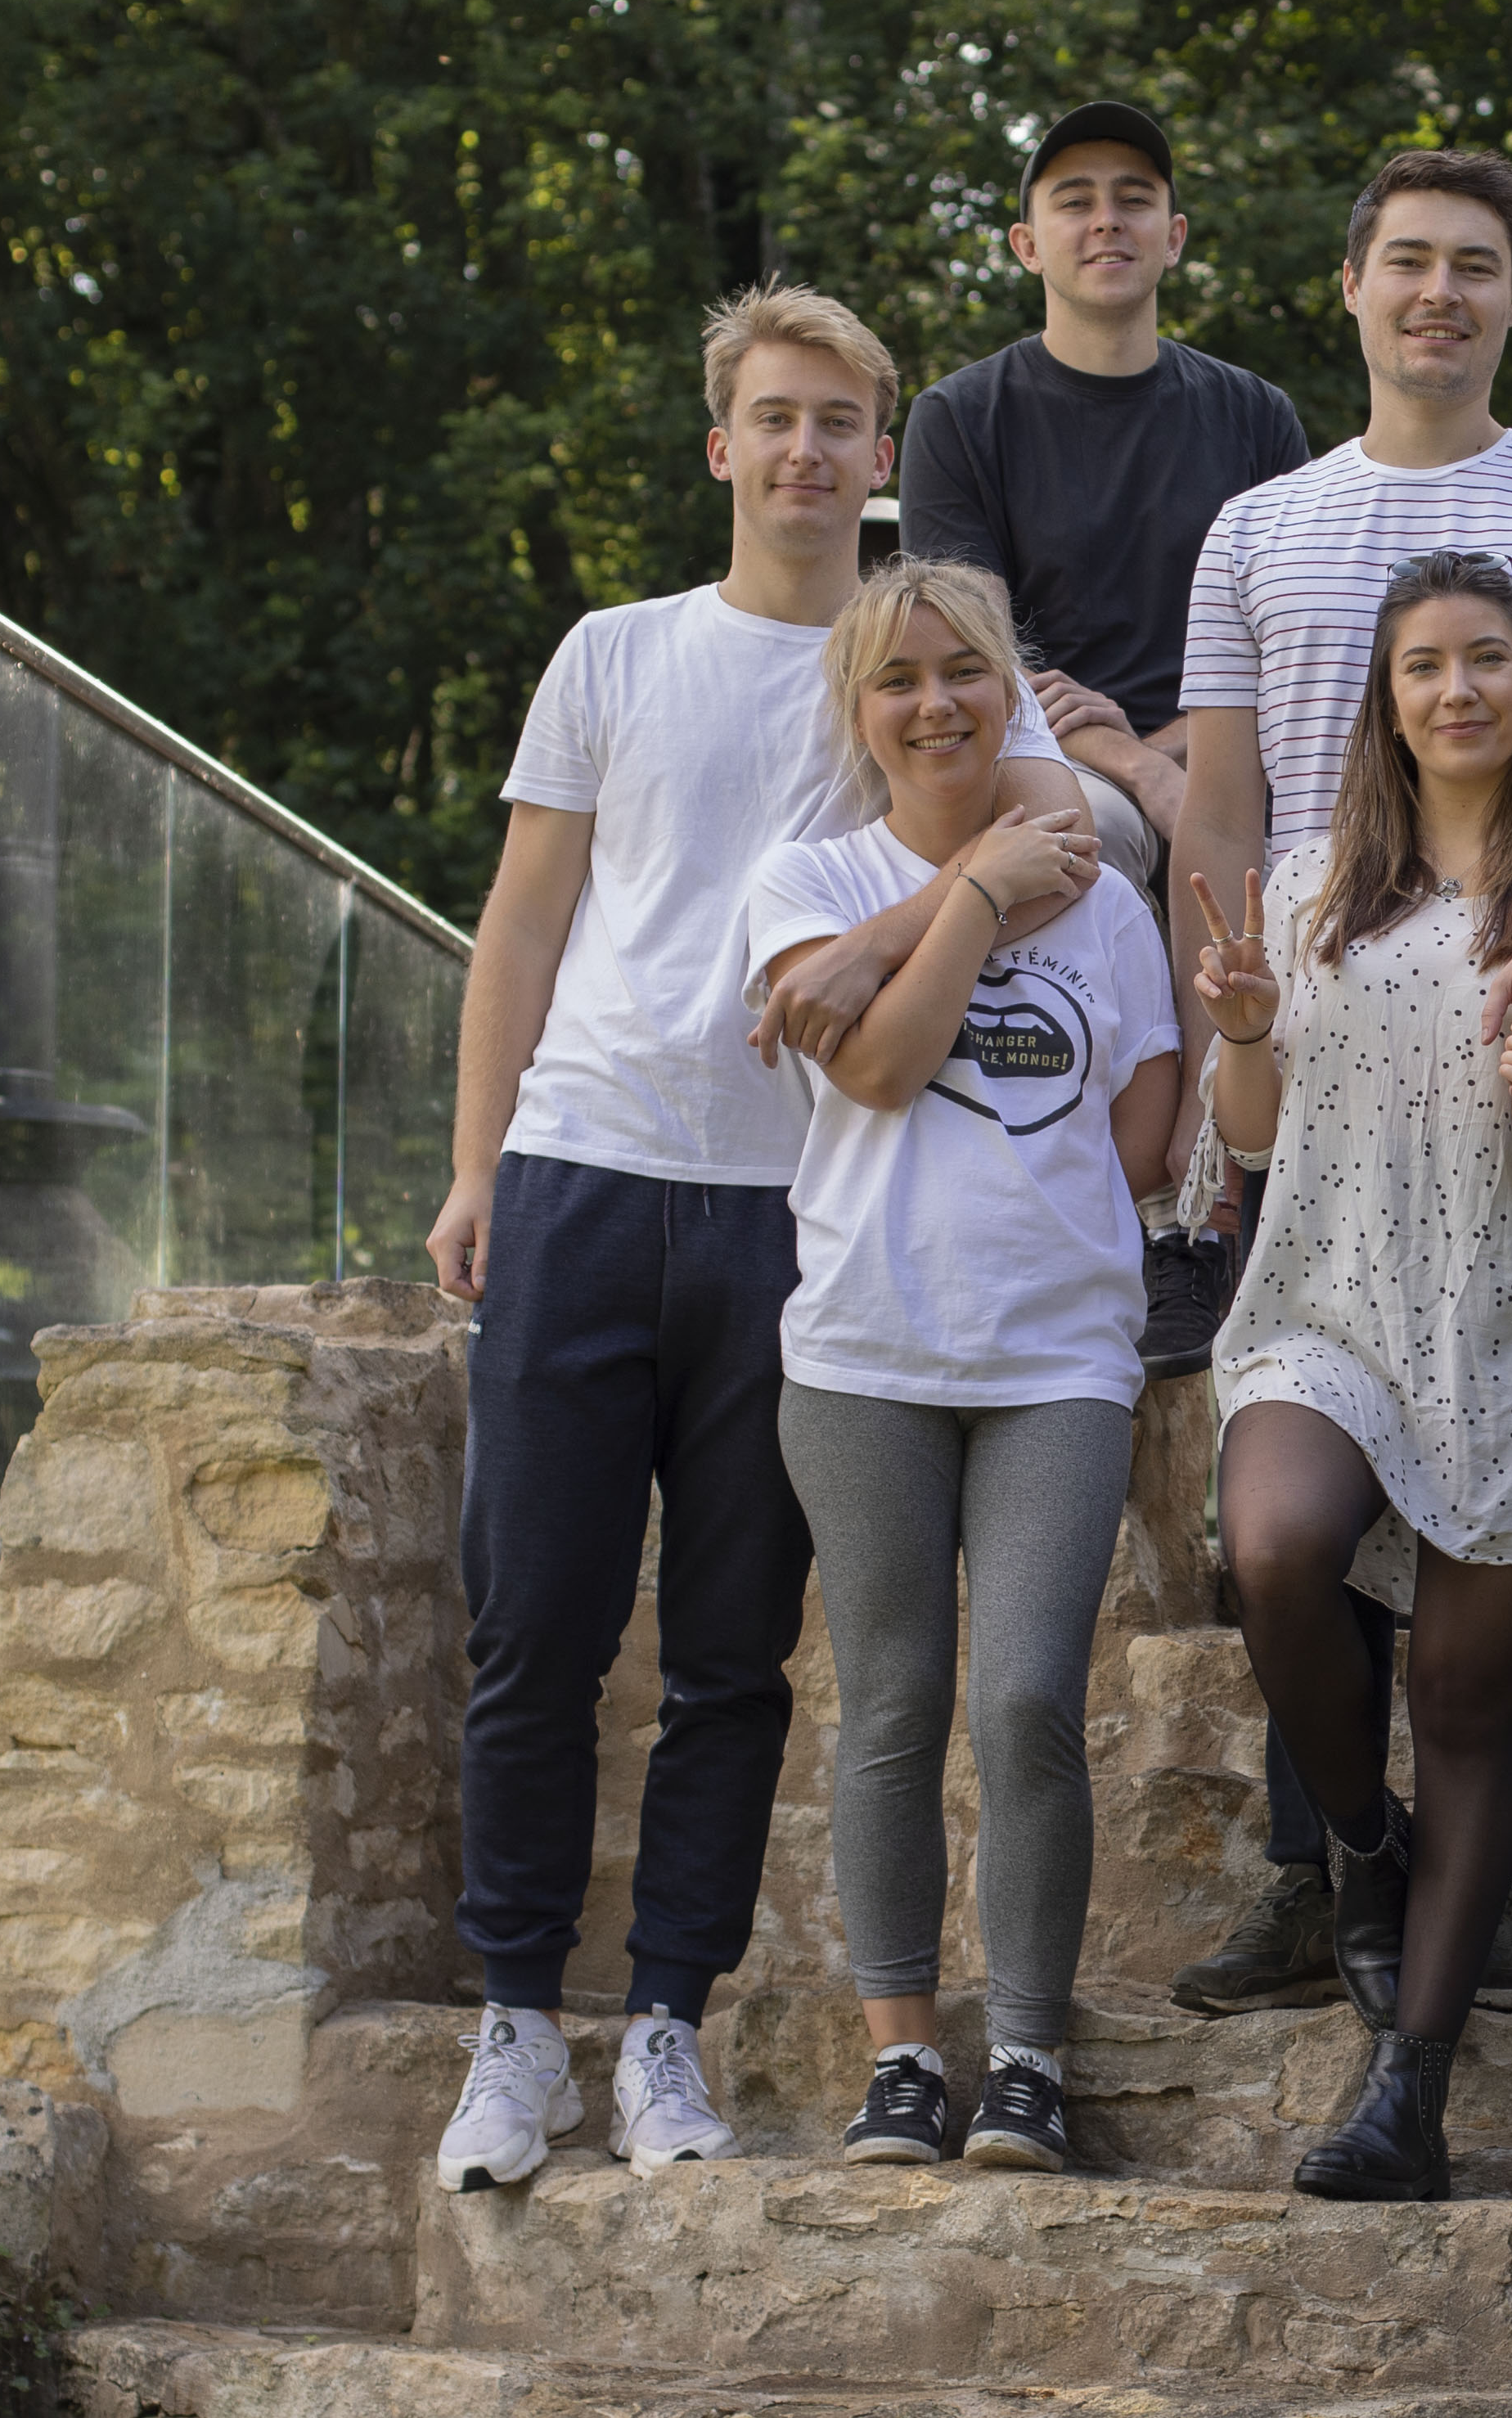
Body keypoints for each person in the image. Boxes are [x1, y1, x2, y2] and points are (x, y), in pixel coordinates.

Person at [424, 286, 1091, 2195]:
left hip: (801, 1213)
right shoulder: (616, 650)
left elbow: (1056, 837)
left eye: (840, 421)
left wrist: (888, 929)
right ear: (724, 444)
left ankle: (664, 2031)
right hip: (579, 1168)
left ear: (883, 455)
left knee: (732, 1655)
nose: (806, 448)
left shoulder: (912, 662)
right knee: (532, 1626)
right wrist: (474, 1167)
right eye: (775, 417)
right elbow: (524, 920)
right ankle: (511, 2028)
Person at [1159, 146, 1512, 2024]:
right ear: (1353, 285)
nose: (1439, 291)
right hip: (1322, 1043)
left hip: (1508, 1041)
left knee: (1505, 1481)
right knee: (1299, 1506)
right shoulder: (1257, 527)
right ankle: (1325, 1872)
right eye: (1407, 260)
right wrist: (1219, 1050)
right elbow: (1221, 808)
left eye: (1475, 263)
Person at [1186, 552, 1512, 2198]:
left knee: (1468, 1710)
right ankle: (1359, 1843)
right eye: (1424, 665)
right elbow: (1249, 1140)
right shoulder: (1312, 890)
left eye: (1487, 659)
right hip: (1325, 1305)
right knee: (1273, 1547)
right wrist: (1243, 1028)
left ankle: (1409, 2090)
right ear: (1385, 701)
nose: (1457, 689)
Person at [748, 560, 1181, 2177]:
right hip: (864, 1351)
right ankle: (901, 2062)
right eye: (897, 679)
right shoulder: (806, 879)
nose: (935, 704)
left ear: (1011, 693)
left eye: (963, 673)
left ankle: (1028, 2062)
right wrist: (983, 893)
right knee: (891, 1703)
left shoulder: (1110, 904)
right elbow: (872, 1070)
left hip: (1056, 1354)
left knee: (1026, 1700)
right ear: (857, 711)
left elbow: (1143, 1138)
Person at [895, 102, 1312, 1376]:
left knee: (1304, 857)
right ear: (1027, 243)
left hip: (1229, 739)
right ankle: (1166, 1213)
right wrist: (1134, 769)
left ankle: (1259, 1205)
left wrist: (1165, 757)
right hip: (1044, 749)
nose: (1106, 218)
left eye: (1134, 195)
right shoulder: (962, 416)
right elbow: (970, 659)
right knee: (1102, 835)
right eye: (1072, 198)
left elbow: (1288, 643)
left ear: (1174, 235)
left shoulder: (1252, 416)